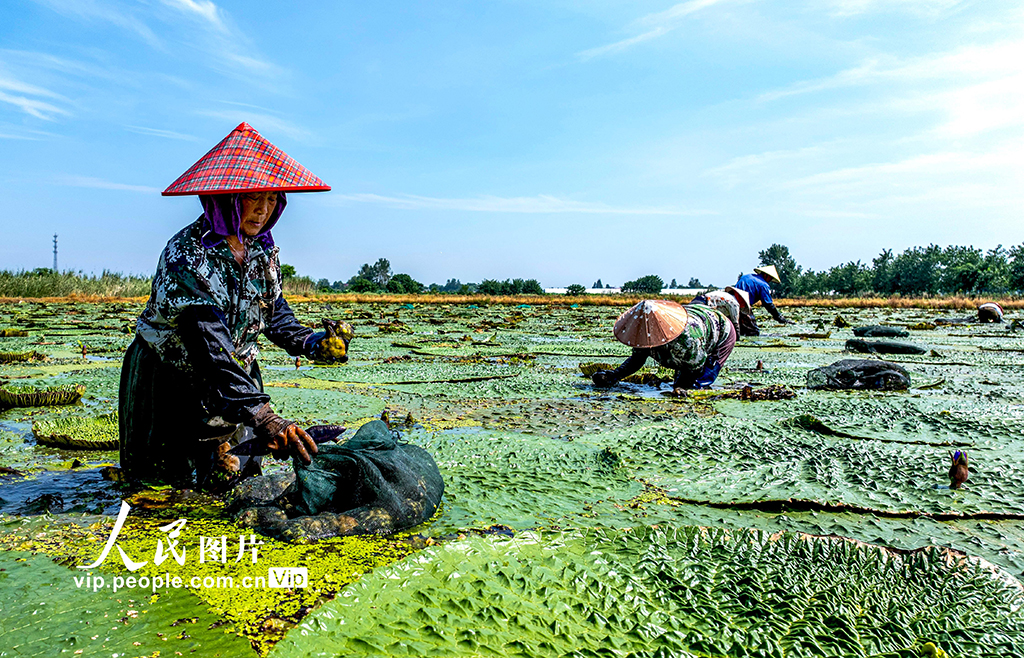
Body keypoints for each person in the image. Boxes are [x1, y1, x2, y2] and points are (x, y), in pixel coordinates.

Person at [119, 122, 344, 491]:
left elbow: (273, 311)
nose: (263, 210)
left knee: (233, 481)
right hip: (172, 381)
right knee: (162, 489)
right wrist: (265, 416)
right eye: (253, 198)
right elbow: (208, 345)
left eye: (272, 199)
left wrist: (312, 342)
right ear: (225, 199)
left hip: (234, 380)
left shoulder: (261, 248)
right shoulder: (188, 256)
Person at [591, 299, 736, 394]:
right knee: (679, 381)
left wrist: (682, 387)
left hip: (721, 331)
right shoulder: (644, 333)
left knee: (698, 382)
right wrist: (614, 375)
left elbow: (696, 367)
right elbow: (637, 360)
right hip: (696, 321)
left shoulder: (688, 339)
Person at [732, 265, 794, 336]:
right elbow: (768, 304)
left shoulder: (746, 276)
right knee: (753, 331)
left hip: (732, 301)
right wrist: (778, 317)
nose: (770, 281)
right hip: (743, 305)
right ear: (766, 275)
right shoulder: (763, 285)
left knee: (739, 330)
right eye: (770, 278)